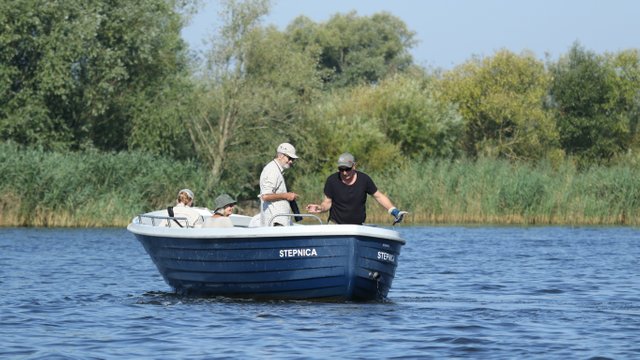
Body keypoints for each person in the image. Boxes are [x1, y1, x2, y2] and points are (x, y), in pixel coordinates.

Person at [306, 152, 408, 225]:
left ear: (354, 166)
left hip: (357, 227)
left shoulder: (364, 179)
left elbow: (379, 196)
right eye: (341, 169)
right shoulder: (332, 180)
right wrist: (320, 208)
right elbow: (327, 203)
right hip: (335, 225)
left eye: (347, 169)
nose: (344, 173)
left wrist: (394, 211)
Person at [258, 143, 299, 226]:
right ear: (280, 156)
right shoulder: (272, 170)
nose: (291, 161)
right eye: (289, 158)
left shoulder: (276, 169)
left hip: (278, 221)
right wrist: (286, 196)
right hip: (275, 222)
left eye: (293, 159)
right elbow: (265, 196)